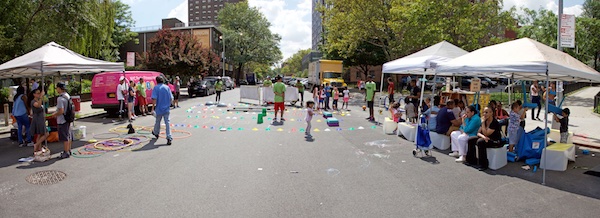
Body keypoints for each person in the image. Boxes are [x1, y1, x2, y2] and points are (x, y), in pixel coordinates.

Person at [466, 106, 503, 171]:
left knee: (480, 142)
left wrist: (482, 123)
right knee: (471, 139)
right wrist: (483, 137)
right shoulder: (485, 121)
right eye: (484, 112)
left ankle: (483, 164)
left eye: (486, 112)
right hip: (486, 138)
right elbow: (478, 133)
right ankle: (472, 160)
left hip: (495, 141)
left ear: (491, 113)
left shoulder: (494, 123)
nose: (484, 114)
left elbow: (486, 133)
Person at [51, 82, 73, 158]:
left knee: (64, 137)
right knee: (68, 135)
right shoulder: (67, 96)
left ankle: (66, 152)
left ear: (59, 88)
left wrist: (54, 114)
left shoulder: (60, 98)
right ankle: (69, 150)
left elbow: (61, 111)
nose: (56, 89)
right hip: (68, 118)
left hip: (62, 119)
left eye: (57, 88)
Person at [151, 76, 174, 145]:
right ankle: (169, 137)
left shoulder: (156, 88)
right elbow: (171, 98)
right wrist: (169, 105)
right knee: (167, 123)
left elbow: (154, 99)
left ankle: (156, 132)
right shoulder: (167, 87)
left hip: (159, 108)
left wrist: (152, 108)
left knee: (158, 122)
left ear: (156, 81)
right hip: (166, 108)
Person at [30, 89, 48, 153]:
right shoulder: (33, 101)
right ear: (34, 94)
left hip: (40, 117)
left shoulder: (38, 100)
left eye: (39, 93)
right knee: (46, 133)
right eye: (37, 93)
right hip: (38, 119)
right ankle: (37, 145)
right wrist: (41, 97)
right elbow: (38, 105)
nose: (39, 94)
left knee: (39, 134)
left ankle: (38, 149)